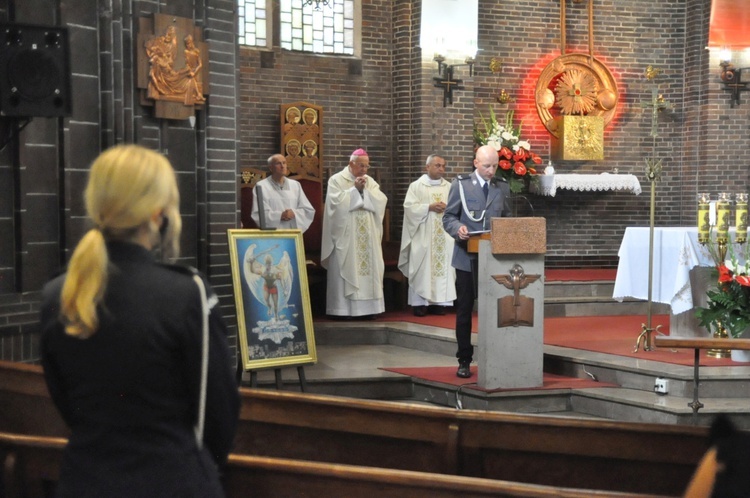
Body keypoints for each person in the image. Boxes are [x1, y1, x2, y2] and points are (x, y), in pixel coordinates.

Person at [39, 145, 240, 497]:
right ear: (157, 214)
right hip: (172, 481)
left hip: (83, 481)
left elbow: (67, 405)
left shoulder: (58, 294)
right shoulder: (186, 293)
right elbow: (218, 415)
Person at [442, 144, 512, 378]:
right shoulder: (461, 185)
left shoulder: (501, 187)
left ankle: (496, 357)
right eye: (486, 166)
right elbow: (449, 216)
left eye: (494, 165)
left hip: (494, 258)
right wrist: (457, 228)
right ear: (476, 163)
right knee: (464, 311)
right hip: (466, 258)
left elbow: (508, 220)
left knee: (495, 310)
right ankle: (464, 359)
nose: (491, 170)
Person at [321, 148, 388, 318]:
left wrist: (363, 191)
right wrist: (355, 191)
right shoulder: (336, 180)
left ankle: (369, 310)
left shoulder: (370, 181)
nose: (364, 170)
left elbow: (380, 200)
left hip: (367, 234)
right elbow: (334, 205)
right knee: (347, 265)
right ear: (351, 164)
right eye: (361, 166)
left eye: (366, 166)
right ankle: (342, 310)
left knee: (369, 268)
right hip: (346, 234)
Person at [398, 154, 456, 317]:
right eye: (437, 165)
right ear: (427, 167)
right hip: (423, 235)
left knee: (444, 268)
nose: (441, 169)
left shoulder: (449, 187)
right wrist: (428, 207)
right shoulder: (416, 186)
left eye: (443, 166)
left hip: (444, 237)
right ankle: (420, 304)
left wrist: (448, 207)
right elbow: (409, 208)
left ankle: (439, 304)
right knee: (422, 268)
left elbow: (457, 207)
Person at [250, 153, 315, 232]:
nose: (282, 166)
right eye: (278, 163)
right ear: (271, 168)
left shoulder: (295, 185)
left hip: (292, 233)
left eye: (284, 163)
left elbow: (307, 210)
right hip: (272, 235)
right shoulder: (261, 186)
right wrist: (280, 215)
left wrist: (294, 213)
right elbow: (258, 214)